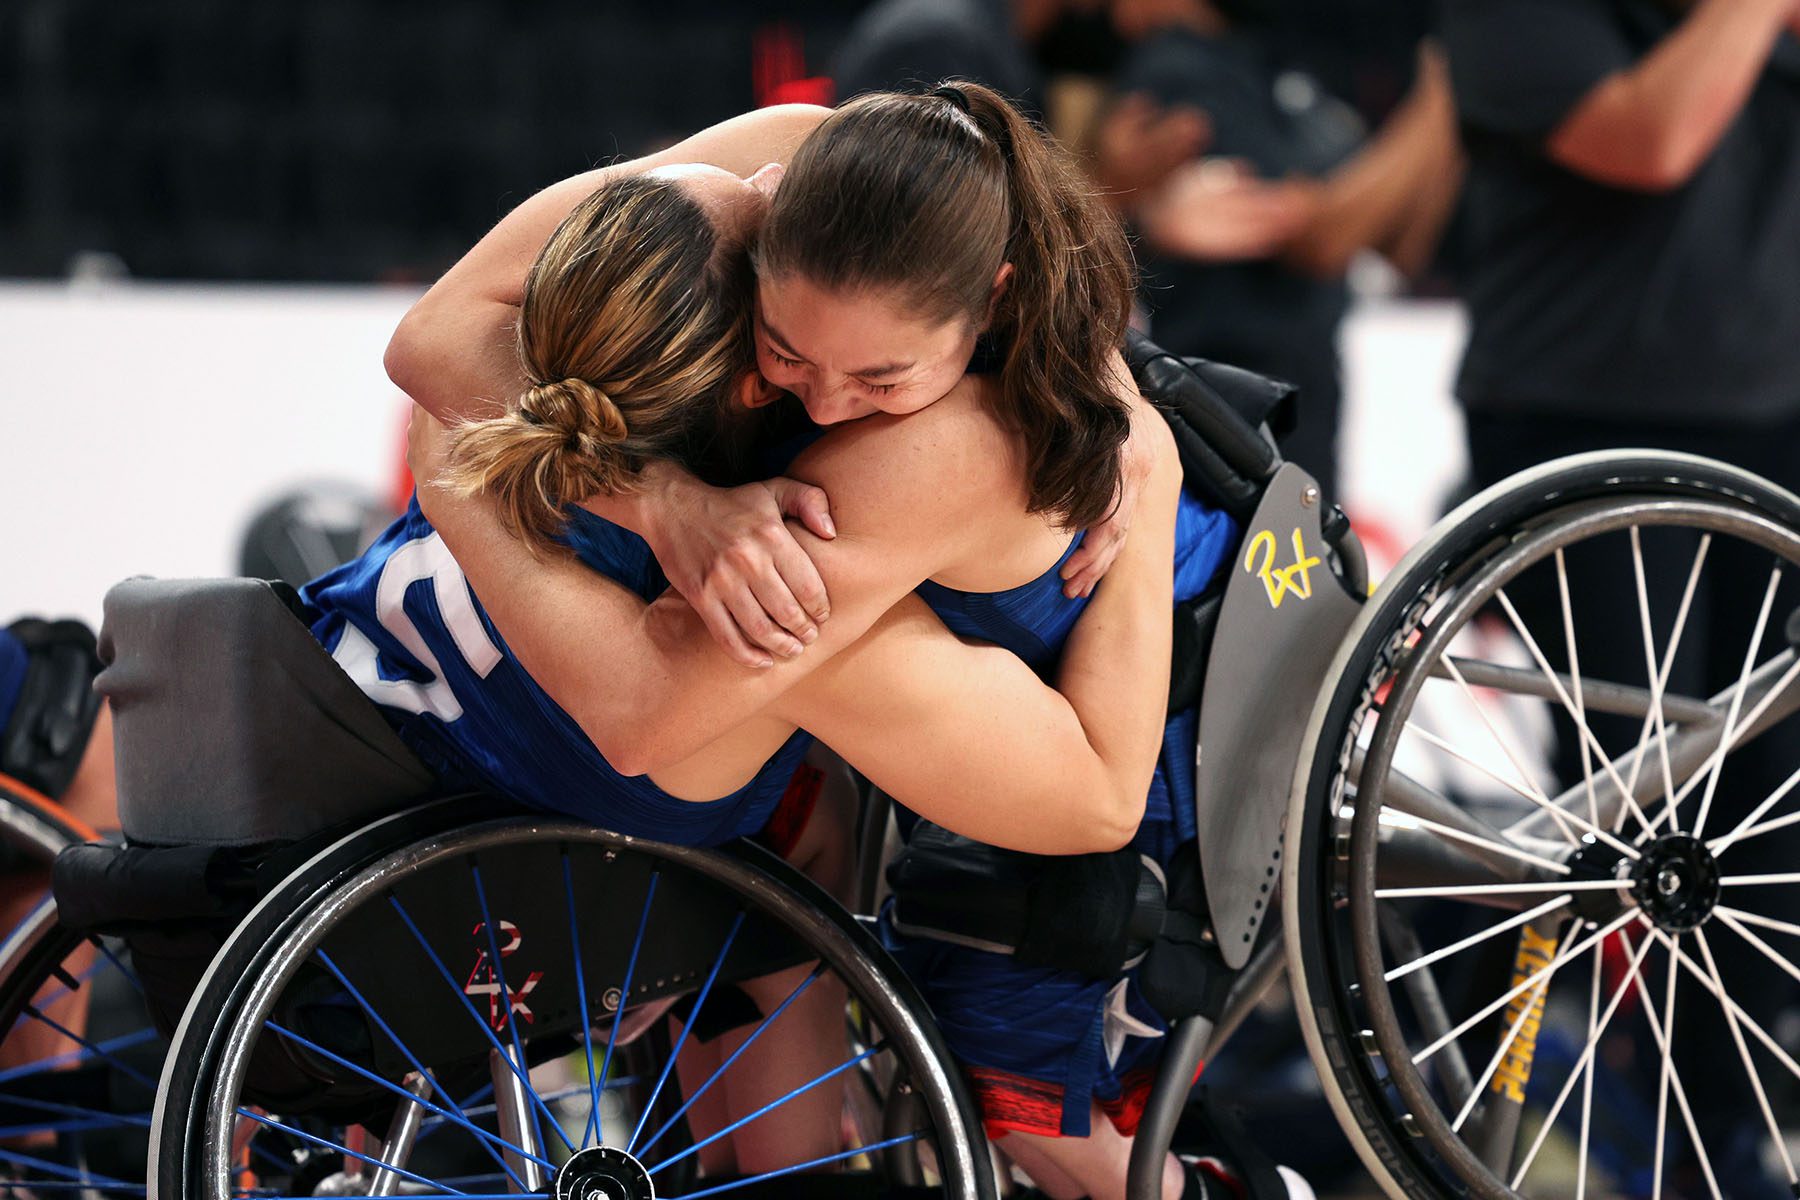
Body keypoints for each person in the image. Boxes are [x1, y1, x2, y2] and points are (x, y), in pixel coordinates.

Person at [399, 85, 1300, 1200]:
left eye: (882, 381)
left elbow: (643, 708)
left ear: (989, 311)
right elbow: (434, 339)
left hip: (1162, 689)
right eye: (782, 351)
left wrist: (461, 480)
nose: (824, 407)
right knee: (790, 851)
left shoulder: (916, 463)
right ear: (772, 224)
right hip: (956, 619)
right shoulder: (777, 176)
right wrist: (661, 496)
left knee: (1020, 1104)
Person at [1444, 0, 1800, 1192]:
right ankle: (1625, 1135)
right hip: (1583, 428)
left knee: (1771, 822)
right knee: (1643, 819)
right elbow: (1653, 138)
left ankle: (1730, 1133)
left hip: (1772, 423)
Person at [1104, 0, 1461, 506]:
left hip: (1300, 404)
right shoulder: (1178, 66)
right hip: (1225, 415)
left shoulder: (1273, 67)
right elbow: (1316, 236)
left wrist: (1445, 109)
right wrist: (1440, 96)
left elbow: (1399, 240)